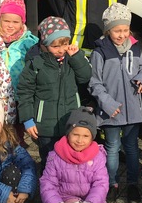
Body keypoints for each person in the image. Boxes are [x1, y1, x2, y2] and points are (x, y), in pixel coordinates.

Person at [88, 3, 142, 203]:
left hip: (132, 109)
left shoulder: (135, 47)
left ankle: (133, 185)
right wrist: (107, 104)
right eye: (117, 30)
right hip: (111, 111)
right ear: (108, 30)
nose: (121, 34)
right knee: (112, 148)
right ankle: (112, 183)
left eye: (125, 30)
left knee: (131, 147)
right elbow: (95, 82)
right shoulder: (100, 52)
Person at [16, 16, 92, 163]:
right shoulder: (35, 64)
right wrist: (28, 119)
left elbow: (85, 77)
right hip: (45, 127)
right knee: (49, 161)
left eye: (65, 44)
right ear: (44, 45)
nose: (61, 50)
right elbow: (25, 92)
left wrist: (76, 57)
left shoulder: (72, 59)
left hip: (71, 122)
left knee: (70, 160)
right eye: (55, 46)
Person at [40, 107, 115, 203]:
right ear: (68, 133)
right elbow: (47, 184)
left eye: (86, 136)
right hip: (67, 200)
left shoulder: (97, 155)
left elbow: (101, 183)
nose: (80, 140)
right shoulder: (55, 155)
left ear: (92, 137)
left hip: (89, 200)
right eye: (75, 134)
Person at [0, 0, 39, 93]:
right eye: (6, 21)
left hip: (21, 95)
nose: (10, 25)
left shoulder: (30, 42)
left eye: (15, 22)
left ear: (22, 22)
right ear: (0, 20)